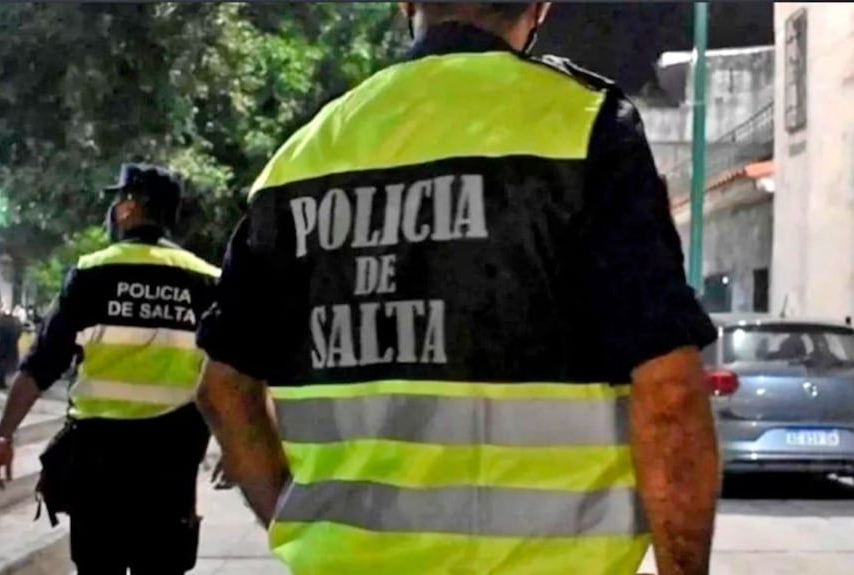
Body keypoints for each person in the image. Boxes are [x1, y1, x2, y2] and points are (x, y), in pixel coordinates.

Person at [195, 4, 720, 575]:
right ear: (539, 6)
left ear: (406, 3)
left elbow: (223, 389)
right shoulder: (583, 130)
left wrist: (295, 518)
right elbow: (669, 391)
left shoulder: (302, 159)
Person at [0, 163, 218, 574]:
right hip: (171, 464)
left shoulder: (93, 273)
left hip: (97, 462)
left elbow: (41, 365)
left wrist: (4, 435)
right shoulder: (206, 280)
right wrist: (238, 447)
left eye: (118, 201)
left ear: (129, 207)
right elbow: (231, 373)